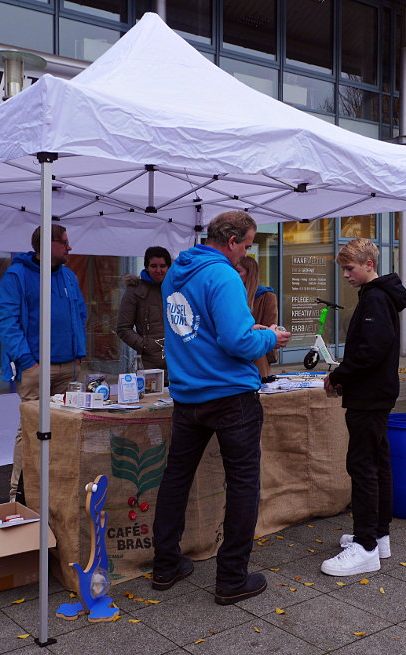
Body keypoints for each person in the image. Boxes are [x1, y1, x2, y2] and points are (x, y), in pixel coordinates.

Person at [152, 210, 291, 605]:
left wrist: (252, 332)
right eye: (246, 245)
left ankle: (165, 565)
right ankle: (231, 578)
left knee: (176, 478)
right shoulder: (224, 275)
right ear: (231, 241)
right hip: (230, 396)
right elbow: (237, 343)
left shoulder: (178, 272)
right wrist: (270, 339)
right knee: (244, 484)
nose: (246, 253)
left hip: (188, 396)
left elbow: (200, 331)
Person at [321, 238, 406, 576]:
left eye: (350, 268)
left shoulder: (374, 298)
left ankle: (366, 546)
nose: (345, 274)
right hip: (377, 394)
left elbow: (369, 351)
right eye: (343, 268)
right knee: (377, 463)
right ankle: (378, 535)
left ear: (369, 264)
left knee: (362, 467)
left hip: (370, 397)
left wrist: (339, 374)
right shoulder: (380, 297)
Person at [0, 225, 87, 502]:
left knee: (65, 428)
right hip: (36, 369)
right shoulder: (17, 276)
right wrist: (27, 361)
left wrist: (79, 351)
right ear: (47, 245)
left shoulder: (68, 276)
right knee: (31, 430)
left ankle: (55, 487)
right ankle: (18, 493)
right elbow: (5, 321)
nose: (70, 248)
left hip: (69, 368)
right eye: (65, 243)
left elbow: (80, 313)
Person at [116, 246, 171, 375]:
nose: (158, 270)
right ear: (146, 266)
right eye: (153, 266)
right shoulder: (135, 290)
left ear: (169, 267)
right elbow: (123, 328)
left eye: (162, 266)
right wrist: (146, 345)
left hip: (177, 363)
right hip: (149, 366)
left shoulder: (177, 287)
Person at [236, 256, 279, 379]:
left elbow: (270, 329)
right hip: (235, 357)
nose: (234, 275)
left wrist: (250, 331)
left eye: (238, 271)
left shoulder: (266, 296)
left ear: (249, 274)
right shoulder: (231, 294)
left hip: (257, 357)